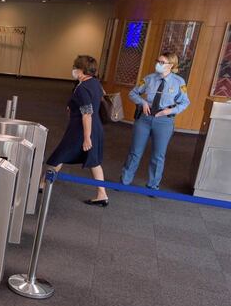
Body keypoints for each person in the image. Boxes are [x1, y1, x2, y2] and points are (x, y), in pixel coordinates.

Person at [44, 55, 109, 206]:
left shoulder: (82, 88)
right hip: (96, 127)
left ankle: (43, 183)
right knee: (94, 161)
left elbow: (87, 113)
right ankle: (102, 194)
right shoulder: (95, 83)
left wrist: (87, 137)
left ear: (81, 70)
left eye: (75, 67)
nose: (73, 70)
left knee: (59, 155)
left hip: (81, 129)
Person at [120, 51, 190, 190]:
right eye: (158, 61)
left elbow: (185, 102)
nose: (158, 64)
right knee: (135, 151)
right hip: (145, 119)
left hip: (164, 122)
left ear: (171, 65)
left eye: (162, 62)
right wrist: (143, 102)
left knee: (158, 155)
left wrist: (169, 111)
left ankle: (153, 185)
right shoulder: (149, 79)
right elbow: (133, 93)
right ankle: (125, 180)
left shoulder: (179, 82)